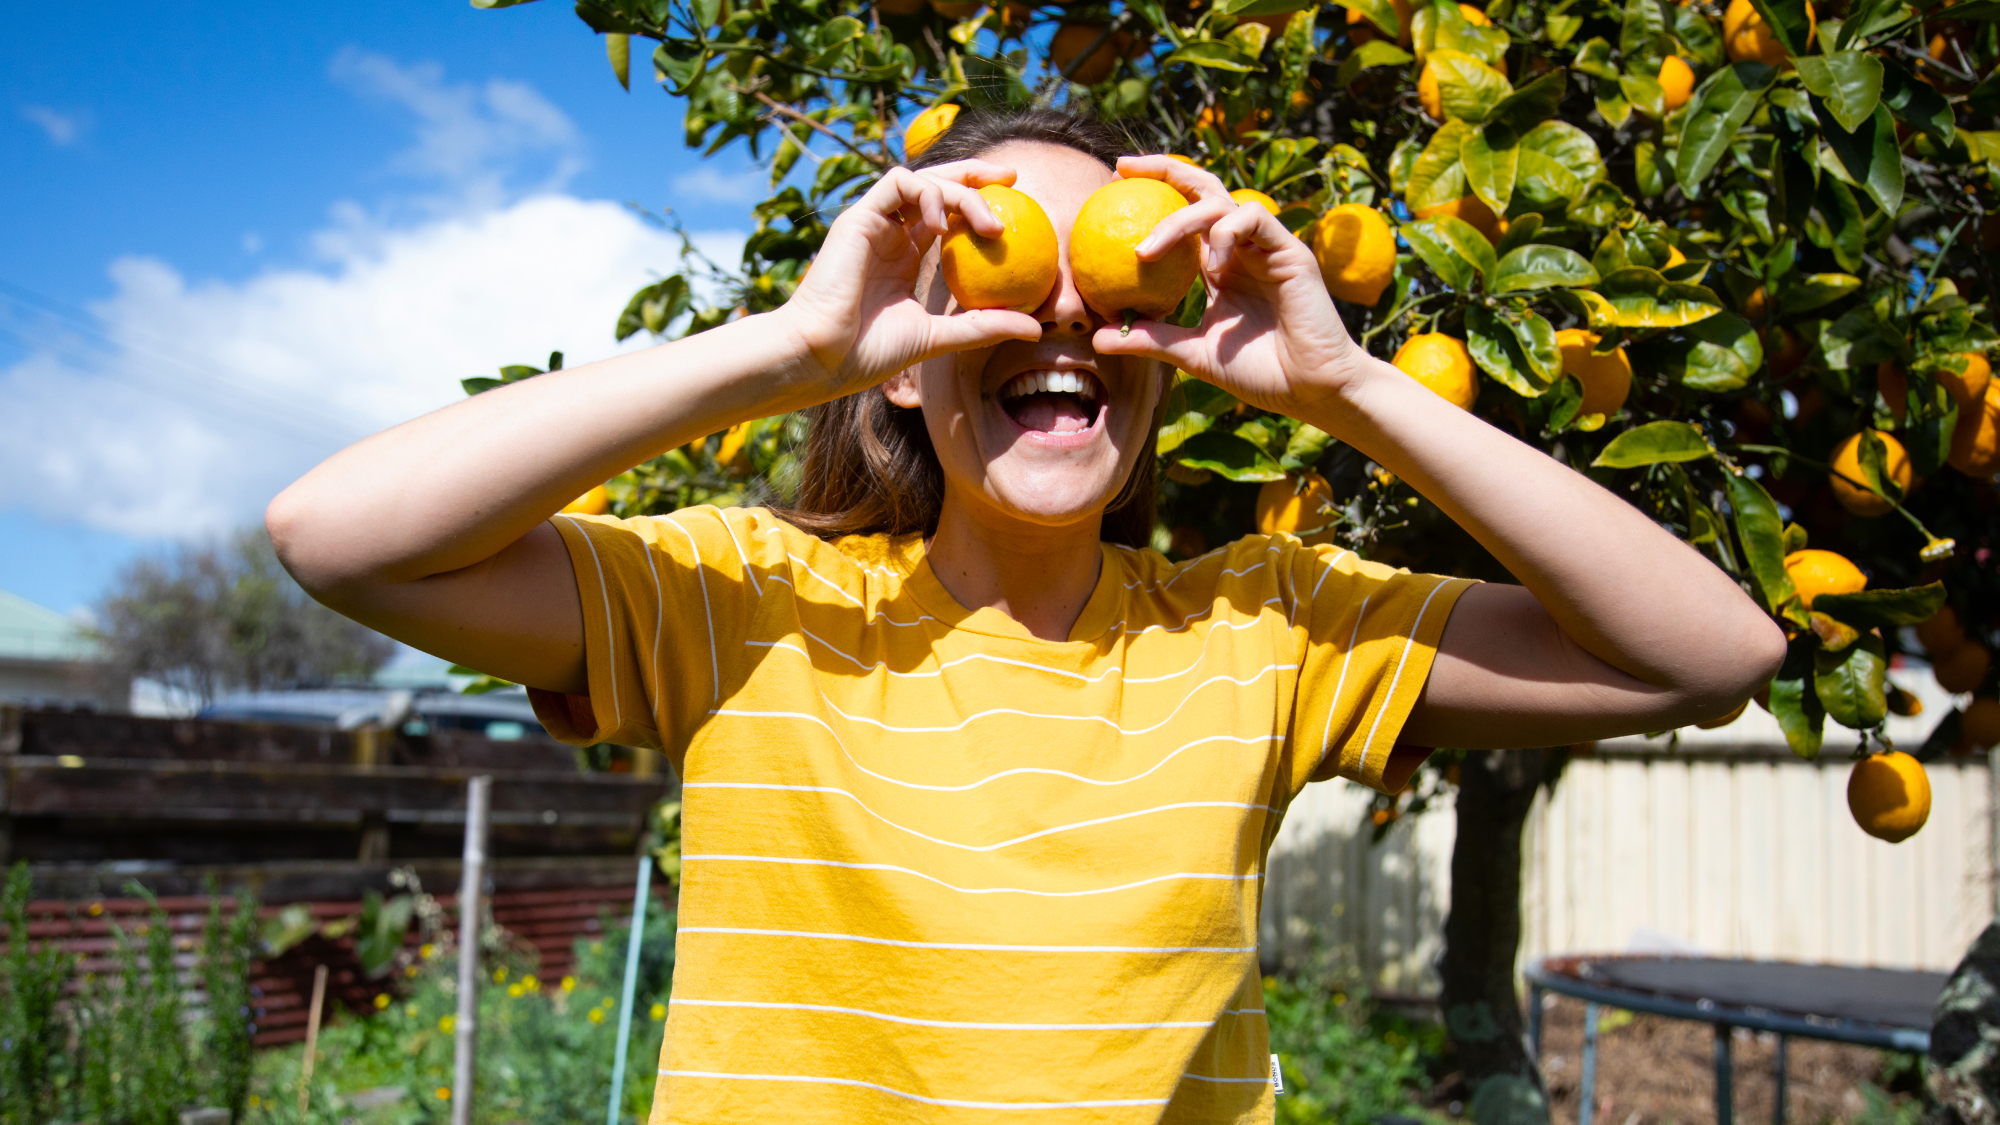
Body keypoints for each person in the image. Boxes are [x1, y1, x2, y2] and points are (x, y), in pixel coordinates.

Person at [267, 107, 1785, 1123]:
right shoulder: (742, 601)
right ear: (905, 363)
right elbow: (336, 536)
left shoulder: (1268, 628)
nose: (1061, 312)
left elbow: (1712, 654)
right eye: (996, 276)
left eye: (1110, 283)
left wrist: (1349, 388)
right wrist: (790, 344)